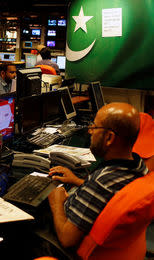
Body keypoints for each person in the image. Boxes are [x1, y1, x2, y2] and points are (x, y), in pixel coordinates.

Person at [48, 102, 147, 249]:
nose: (90, 132)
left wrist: (56, 204)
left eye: (94, 127)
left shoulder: (101, 181)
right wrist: (78, 181)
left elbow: (67, 239)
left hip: (63, 244)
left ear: (109, 138)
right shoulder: (139, 166)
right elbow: (112, 196)